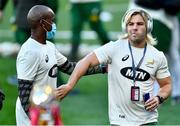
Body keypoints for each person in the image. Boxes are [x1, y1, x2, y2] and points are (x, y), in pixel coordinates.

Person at [56, 9, 172, 125]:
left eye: (140, 24)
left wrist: (158, 98)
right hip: (119, 121)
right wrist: (70, 84)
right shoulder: (114, 48)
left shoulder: (158, 56)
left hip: (148, 121)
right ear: (125, 27)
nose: (134, 27)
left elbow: (166, 85)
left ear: (148, 27)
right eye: (130, 24)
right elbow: (86, 62)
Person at [16, 5, 106, 125]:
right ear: (42, 23)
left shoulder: (49, 46)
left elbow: (70, 68)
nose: (54, 24)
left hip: (47, 108)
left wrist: (103, 68)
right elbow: (24, 91)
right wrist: (37, 117)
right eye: (51, 20)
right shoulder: (29, 52)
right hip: (32, 113)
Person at [128, 0, 180, 105]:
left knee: (170, 55)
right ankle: (151, 94)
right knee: (145, 57)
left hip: (164, 19)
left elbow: (173, 7)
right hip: (144, 14)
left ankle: (174, 92)